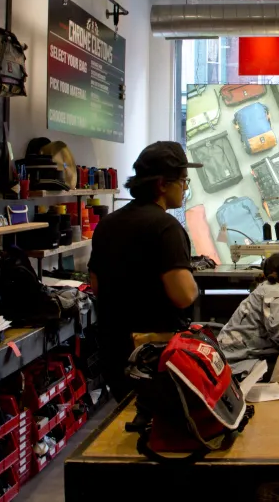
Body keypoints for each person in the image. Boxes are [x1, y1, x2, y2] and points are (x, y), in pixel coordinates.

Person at [88, 141, 202, 401]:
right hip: (153, 352)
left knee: (127, 419)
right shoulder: (166, 227)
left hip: (114, 350)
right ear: (162, 184)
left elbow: (96, 285)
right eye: (183, 181)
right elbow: (183, 295)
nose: (185, 188)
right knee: (161, 424)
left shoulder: (107, 224)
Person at [217, 253, 279, 369]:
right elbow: (278, 332)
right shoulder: (275, 293)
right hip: (235, 359)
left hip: (232, 352)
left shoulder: (268, 288)